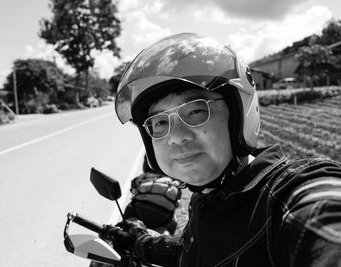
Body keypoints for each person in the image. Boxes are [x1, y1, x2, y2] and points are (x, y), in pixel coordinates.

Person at [107, 32, 341, 266]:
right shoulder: (211, 200)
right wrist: (139, 242)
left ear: (238, 116)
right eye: (159, 123)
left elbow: (324, 221)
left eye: (196, 110)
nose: (176, 137)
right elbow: (195, 251)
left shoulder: (288, 197)